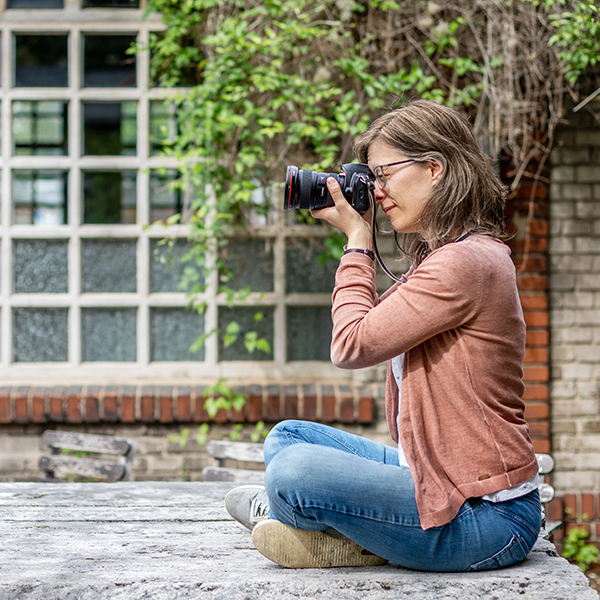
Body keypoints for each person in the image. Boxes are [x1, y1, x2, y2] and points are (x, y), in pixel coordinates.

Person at [225, 98, 541, 571]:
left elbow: (351, 343)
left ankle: (323, 525)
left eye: (384, 175)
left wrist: (358, 241)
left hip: (486, 517)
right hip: (435, 476)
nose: (375, 191)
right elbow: (370, 329)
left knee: (293, 473)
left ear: (434, 168)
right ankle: (361, 536)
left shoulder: (465, 263)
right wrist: (361, 234)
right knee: (287, 436)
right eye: (370, 178)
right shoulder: (442, 257)